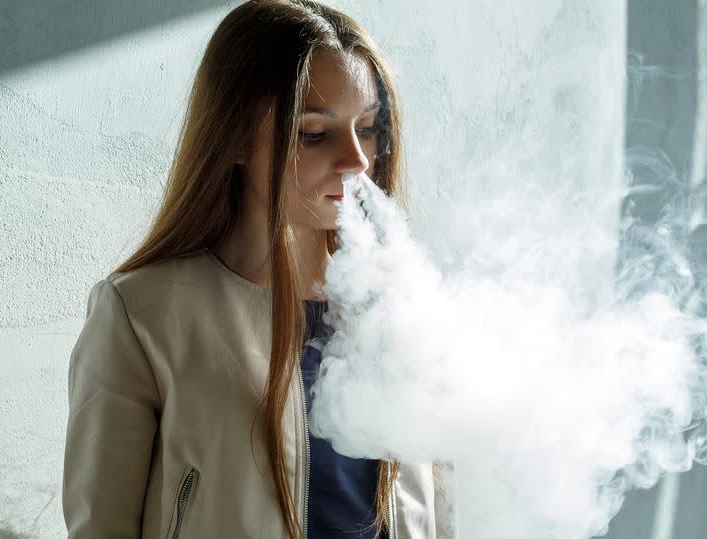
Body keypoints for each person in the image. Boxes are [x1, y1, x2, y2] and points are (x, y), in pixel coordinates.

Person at [62, 1, 452, 537]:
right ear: (236, 138)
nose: (358, 160)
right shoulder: (142, 315)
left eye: (367, 128)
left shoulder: (399, 310)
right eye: (315, 133)